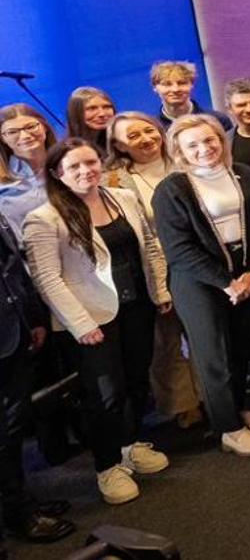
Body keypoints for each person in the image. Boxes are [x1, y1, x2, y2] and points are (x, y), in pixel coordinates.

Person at [21, 139, 172, 503]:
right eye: (74, 167)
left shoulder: (123, 197)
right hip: (90, 321)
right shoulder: (44, 218)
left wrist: (161, 290)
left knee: (137, 380)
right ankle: (108, 466)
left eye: (90, 162)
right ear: (58, 174)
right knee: (104, 395)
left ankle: (131, 444)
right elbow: (47, 278)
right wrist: (80, 323)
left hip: (136, 305)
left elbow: (149, 245)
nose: (86, 171)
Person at [147, 115, 250, 457]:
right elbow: (178, 249)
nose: (205, 149)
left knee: (239, 349)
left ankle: (237, 410)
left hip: (243, 273)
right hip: (199, 282)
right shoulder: (172, 189)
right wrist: (226, 283)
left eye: (211, 140)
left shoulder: (243, 174)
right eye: (193, 145)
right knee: (213, 355)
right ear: (179, 150)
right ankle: (228, 429)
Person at [102, 111, 202, 429]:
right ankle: (183, 405)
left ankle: (214, 396)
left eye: (149, 130)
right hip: (153, 267)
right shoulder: (113, 181)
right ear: (117, 146)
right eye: (133, 136)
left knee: (203, 336)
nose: (145, 139)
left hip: (196, 262)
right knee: (166, 341)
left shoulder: (186, 160)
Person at [0, 211, 76, 545]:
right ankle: (18, 514)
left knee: (12, 429)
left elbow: (12, 268)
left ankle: (18, 502)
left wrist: (32, 316)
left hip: (12, 332)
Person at [0, 107, 55, 236]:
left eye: (31, 127)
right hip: (30, 252)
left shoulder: (71, 165)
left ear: (44, 127)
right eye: (12, 132)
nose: (25, 136)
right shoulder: (2, 183)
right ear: (2, 138)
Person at [150, 61, 232, 132]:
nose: (175, 89)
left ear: (192, 85)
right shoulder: (153, 128)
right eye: (167, 84)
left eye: (182, 83)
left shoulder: (218, 120)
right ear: (155, 88)